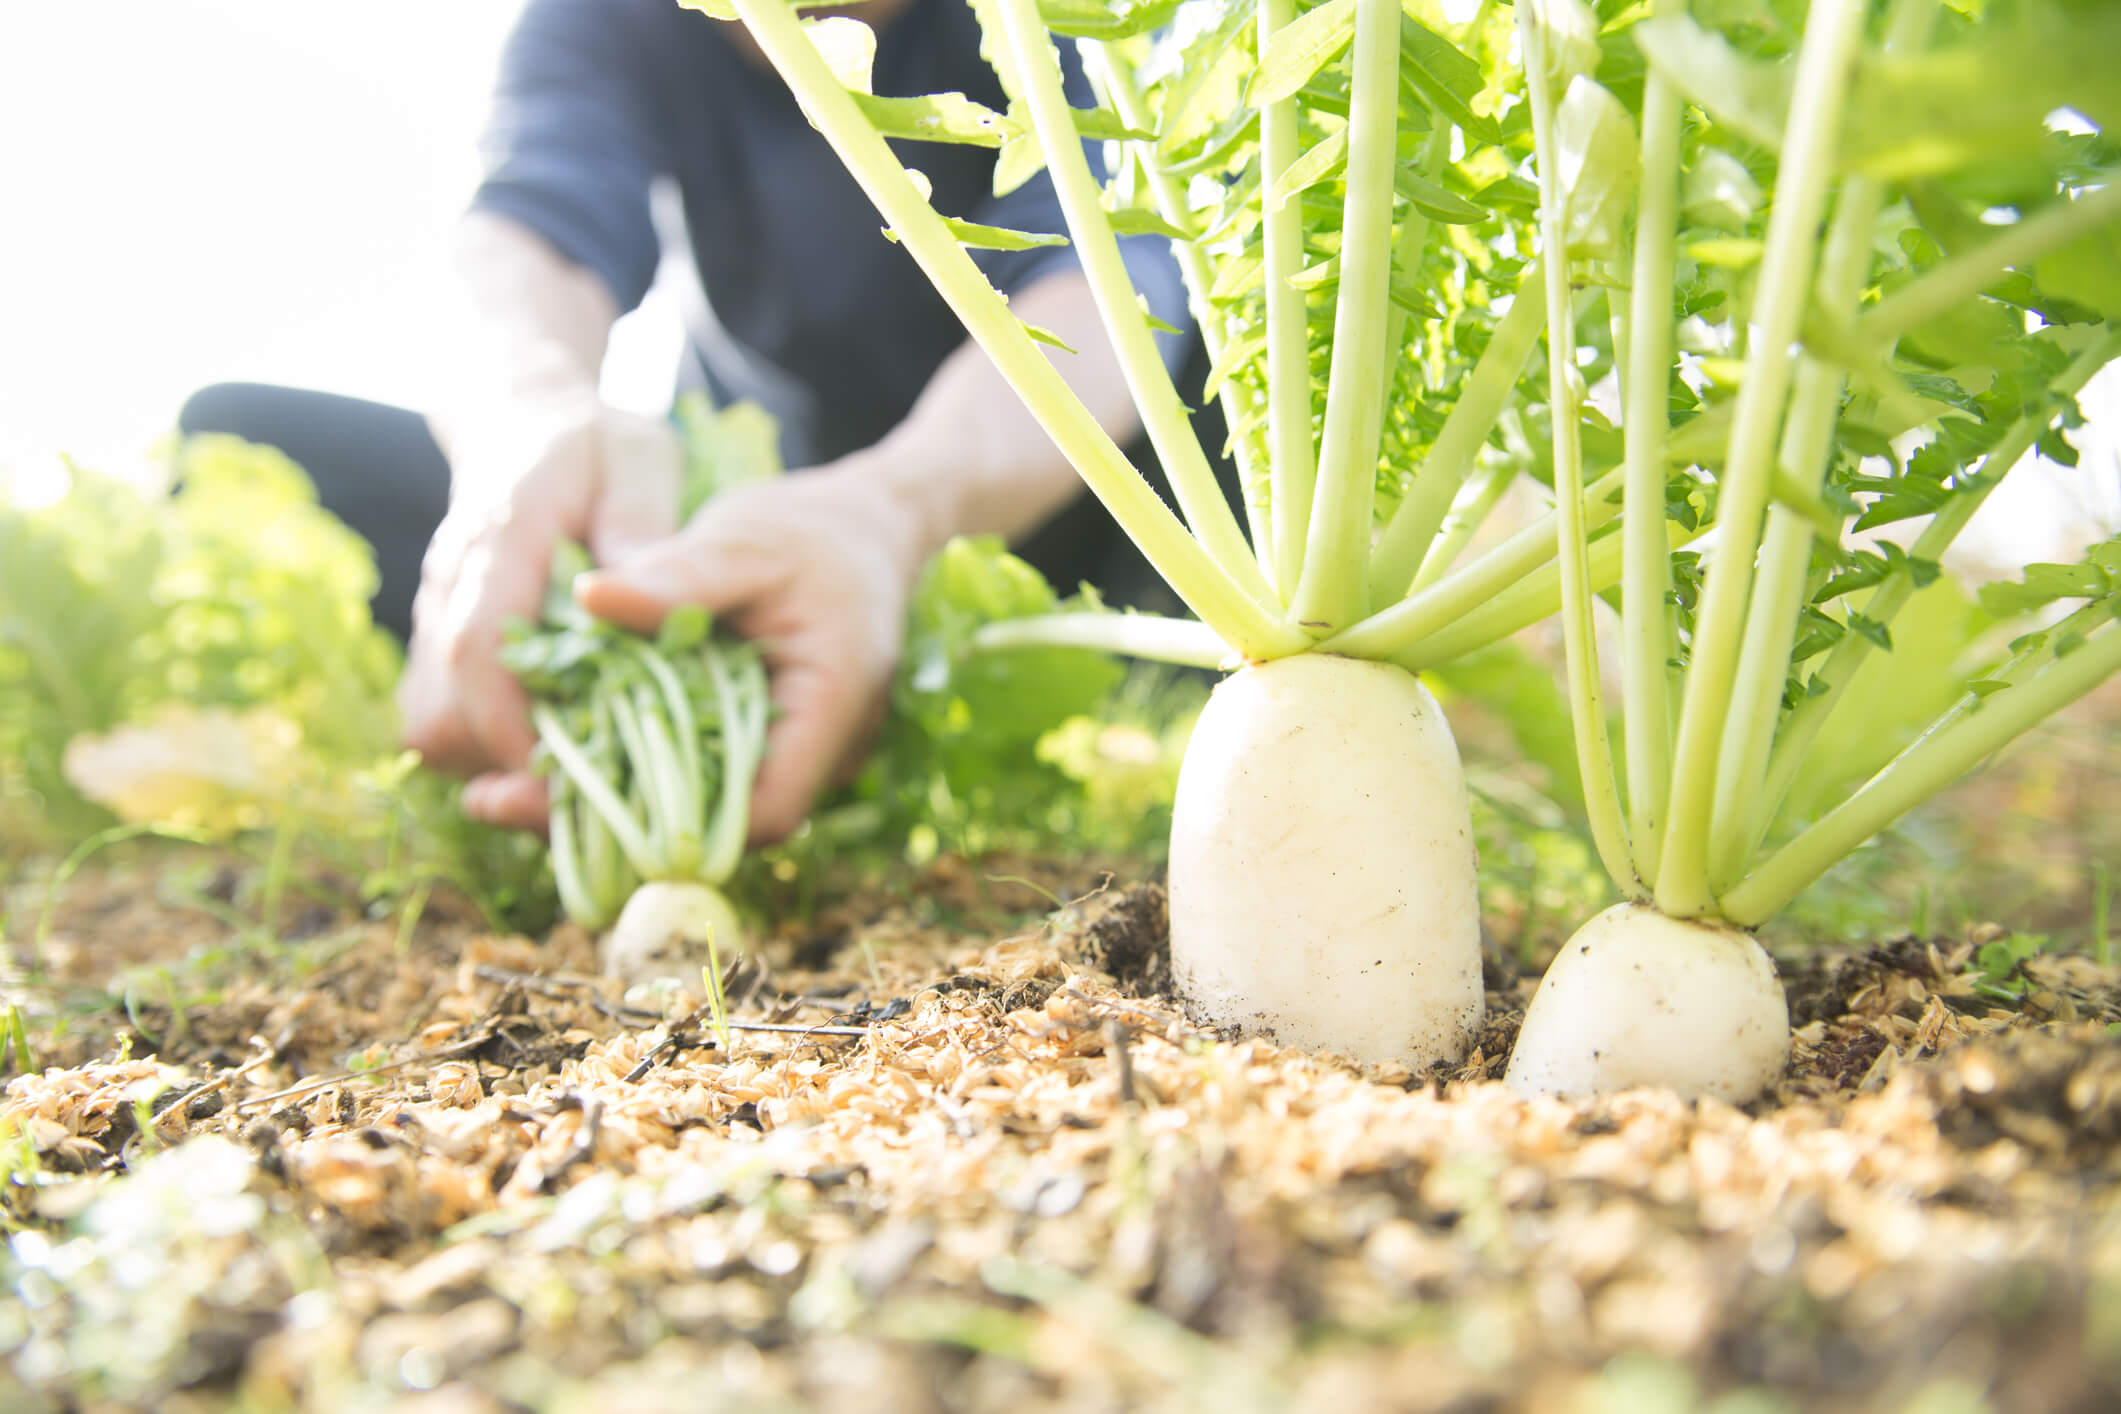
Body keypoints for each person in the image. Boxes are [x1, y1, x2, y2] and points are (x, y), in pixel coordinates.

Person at [180, 0, 1216, 847]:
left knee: (1219, 450)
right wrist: (526, 425)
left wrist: (892, 510)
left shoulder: (1066, 22)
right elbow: (527, 236)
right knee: (239, 433)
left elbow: (1113, 293)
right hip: (743, 531)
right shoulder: (604, 25)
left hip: (1050, 508)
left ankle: (1100, 665)